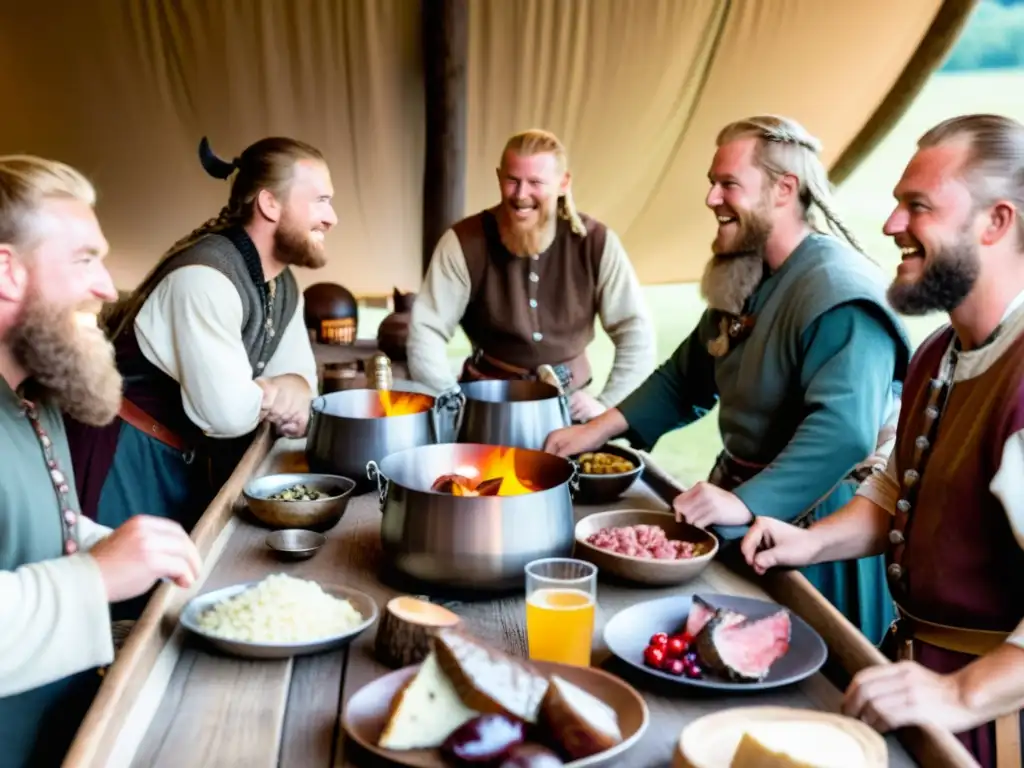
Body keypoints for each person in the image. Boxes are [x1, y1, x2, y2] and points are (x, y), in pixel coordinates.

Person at [545, 115, 911, 645]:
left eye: (728, 184)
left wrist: (745, 502)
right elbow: (685, 379)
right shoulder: (746, 274)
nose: (712, 198)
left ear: (784, 190)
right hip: (743, 507)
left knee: (811, 690)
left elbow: (844, 429)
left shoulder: (839, 291)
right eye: (712, 183)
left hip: (817, 527)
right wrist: (594, 430)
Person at [740, 114, 1024, 768]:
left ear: (996, 222)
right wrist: (812, 540)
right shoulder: (938, 352)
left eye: (916, 206)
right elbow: (899, 488)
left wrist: (959, 693)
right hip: (910, 691)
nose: (892, 224)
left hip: (991, 731)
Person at [0, 155, 202, 767]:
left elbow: (32, 531)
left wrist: (120, 545)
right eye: (84, 260)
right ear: (6, 272)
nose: (108, 287)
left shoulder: (35, 389)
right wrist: (100, 575)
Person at [65, 136, 331, 545]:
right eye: (320, 201)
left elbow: (300, 379)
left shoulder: (283, 283)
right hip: (126, 456)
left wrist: (283, 388)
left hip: (180, 459)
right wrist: (275, 394)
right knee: (120, 595)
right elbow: (227, 414)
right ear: (269, 204)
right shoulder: (205, 278)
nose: (331, 217)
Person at [407, 129, 656, 422]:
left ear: (564, 183)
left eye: (535, 182)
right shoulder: (464, 241)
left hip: (573, 406)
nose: (521, 195)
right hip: (488, 404)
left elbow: (635, 330)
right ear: (499, 178)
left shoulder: (596, 242)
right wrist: (452, 402)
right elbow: (426, 328)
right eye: (512, 180)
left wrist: (606, 406)